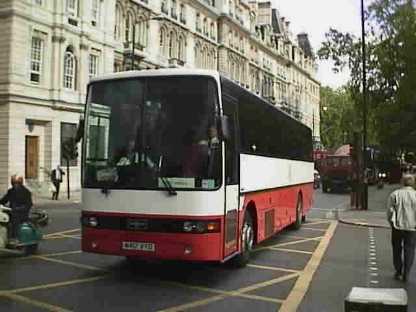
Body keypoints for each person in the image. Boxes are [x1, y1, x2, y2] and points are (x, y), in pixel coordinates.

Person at [386, 174, 416, 282]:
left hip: (397, 226)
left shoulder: (395, 194)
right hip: (412, 227)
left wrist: (391, 222)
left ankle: (398, 270)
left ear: (402, 182)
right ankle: (406, 273)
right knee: (410, 250)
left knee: (397, 249)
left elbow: (390, 211)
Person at [0, 175, 33, 241]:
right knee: (4, 217)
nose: (15, 185)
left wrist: (19, 208)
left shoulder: (26, 192)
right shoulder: (11, 191)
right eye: (14, 183)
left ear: (20, 183)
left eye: (17, 183)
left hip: (21, 213)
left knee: (15, 220)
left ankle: (14, 238)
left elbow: (29, 204)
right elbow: (4, 200)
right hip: (12, 211)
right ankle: (6, 236)